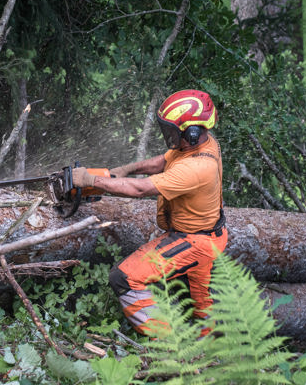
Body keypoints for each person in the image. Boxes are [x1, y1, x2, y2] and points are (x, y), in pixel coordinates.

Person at [71, 89, 227, 336]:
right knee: (203, 308)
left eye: (174, 131)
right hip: (210, 235)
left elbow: (140, 189)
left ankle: (169, 346)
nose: (169, 136)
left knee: (124, 278)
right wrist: (125, 169)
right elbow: (164, 161)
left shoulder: (199, 167)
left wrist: (90, 179)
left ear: (192, 133)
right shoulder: (201, 143)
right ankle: (214, 351)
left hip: (195, 241)